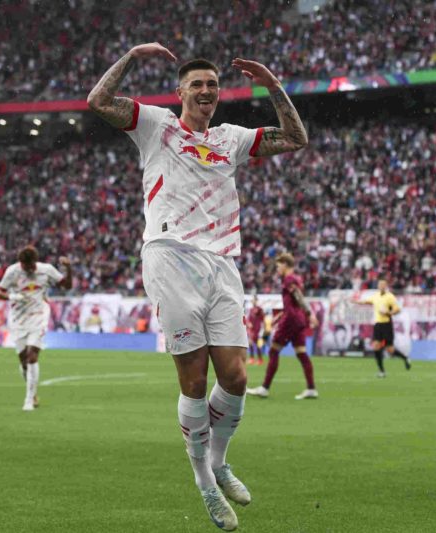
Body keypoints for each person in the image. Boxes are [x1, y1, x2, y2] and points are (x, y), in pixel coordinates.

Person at [88, 42, 308, 531]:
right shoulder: (156, 125)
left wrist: (272, 85)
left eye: (212, 85)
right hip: (171, 258)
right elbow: (98, 102)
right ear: (180, 91)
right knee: (193, 380)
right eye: (197, 85)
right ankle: (205, 485)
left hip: (223, 263)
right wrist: (129, 56)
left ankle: (220, 461)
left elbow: (296, 138)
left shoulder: (231, 138)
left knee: (236, 378)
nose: (206, 91)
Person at [0, 246, 72, 411]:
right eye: (25, 266)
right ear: (21, 263)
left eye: (31, 266)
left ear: (34, 262)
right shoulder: (12, 272)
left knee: (32, 356)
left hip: (39, 315)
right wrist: (12, 296)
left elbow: (66, 286)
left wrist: (68, 268)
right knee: (24, 361)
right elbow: (0, 292)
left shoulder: (46, 270)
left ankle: (29, 400)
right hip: (18, 319)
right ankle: (33, 392)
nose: (29, 269)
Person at [247, 253, 319, 399]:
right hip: (298, 320)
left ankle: (265, 388)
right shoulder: (297, 278)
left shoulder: (289, 279)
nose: (277, 269)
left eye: (279, 265)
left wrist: (310, 313)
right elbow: (293, 301)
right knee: (301, 353)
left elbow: (298, 296)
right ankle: (311, 388)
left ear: (285, 264)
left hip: (291, 320)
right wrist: (279, 317)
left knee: (273, 351)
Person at [354, 279, 411, 377]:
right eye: (380, 285)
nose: (381, 286)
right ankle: (382, 371)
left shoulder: (390, 297)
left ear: (386, 286)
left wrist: (388, 312)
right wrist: (356, 301)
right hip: (378, 324)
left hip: (387, 324)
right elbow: (367, 302)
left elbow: (397, 309)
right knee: (376, 346)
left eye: (383, 285)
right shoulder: (375, 296)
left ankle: (405, 358)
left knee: (390, 350)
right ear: (378, 286)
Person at [246, 297, 265, 365]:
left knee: (257, 344)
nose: (253, 302)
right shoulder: (251, 310)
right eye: (252, 301)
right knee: (250, 343)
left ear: (256, 301)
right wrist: (248, 323)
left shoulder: (259, 309)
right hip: (251, 329)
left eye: (254, 300)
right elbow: (248, 319)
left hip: (257, 329)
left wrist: (263, 328)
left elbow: (263, 318)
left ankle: (260, 359)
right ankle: (252, 359)